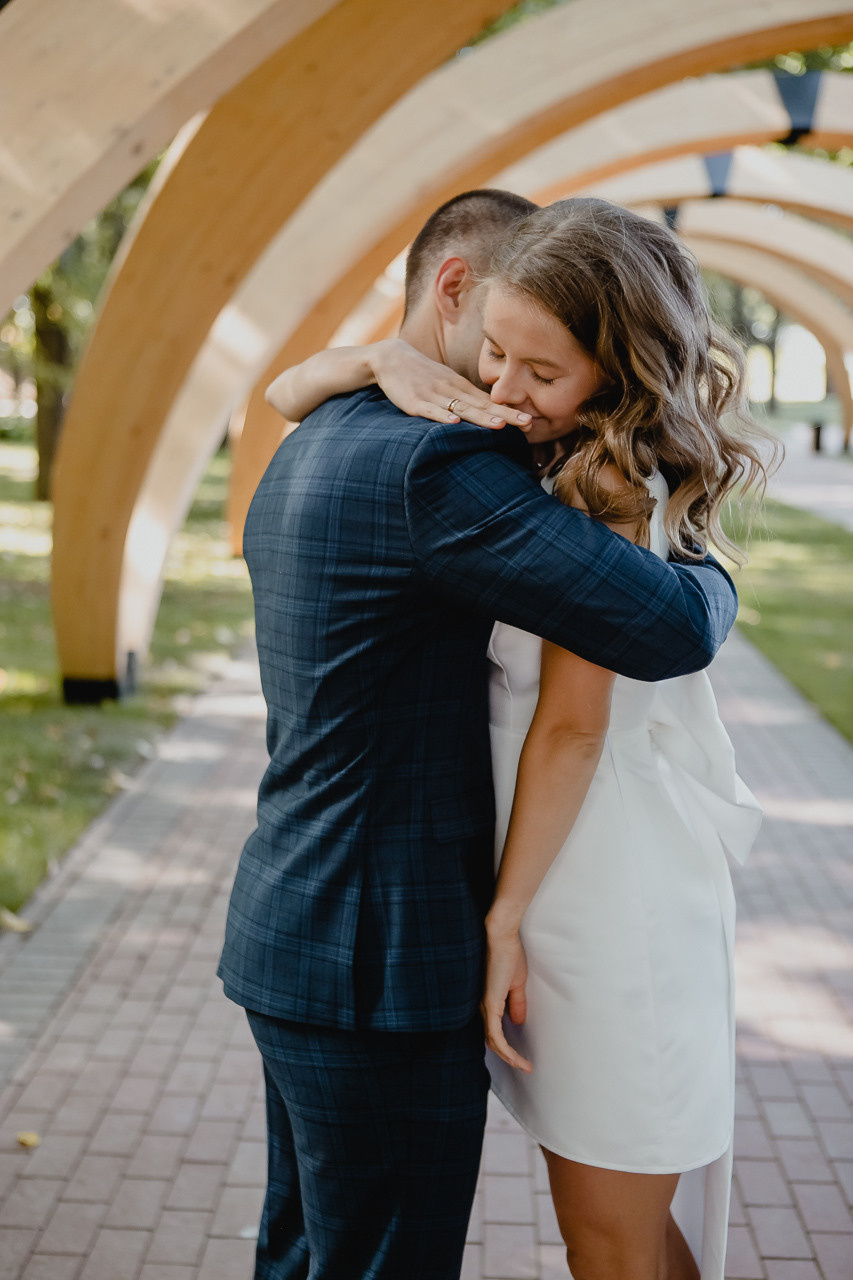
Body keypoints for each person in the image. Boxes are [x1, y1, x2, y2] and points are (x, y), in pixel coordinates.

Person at [218, 190, 741, 1280]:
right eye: (500, 350)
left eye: (537, 368)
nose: (502, 390)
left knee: (308, 1252)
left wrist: (341, 365)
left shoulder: (317, 428)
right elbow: (674, 623)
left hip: (300, 923)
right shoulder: (441, 464)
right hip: (383, 955)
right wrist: (713, 553)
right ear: (461, 288)